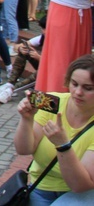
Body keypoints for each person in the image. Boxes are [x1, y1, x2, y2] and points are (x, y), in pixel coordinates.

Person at [12, 54, 94, 205]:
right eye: (74, 84)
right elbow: (24, 149)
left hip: (80, 195)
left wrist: (63, 146)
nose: (78, 92)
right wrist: (26, 120)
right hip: (40, 187)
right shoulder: (51, 102)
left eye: (88, 88)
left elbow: (81, 185)